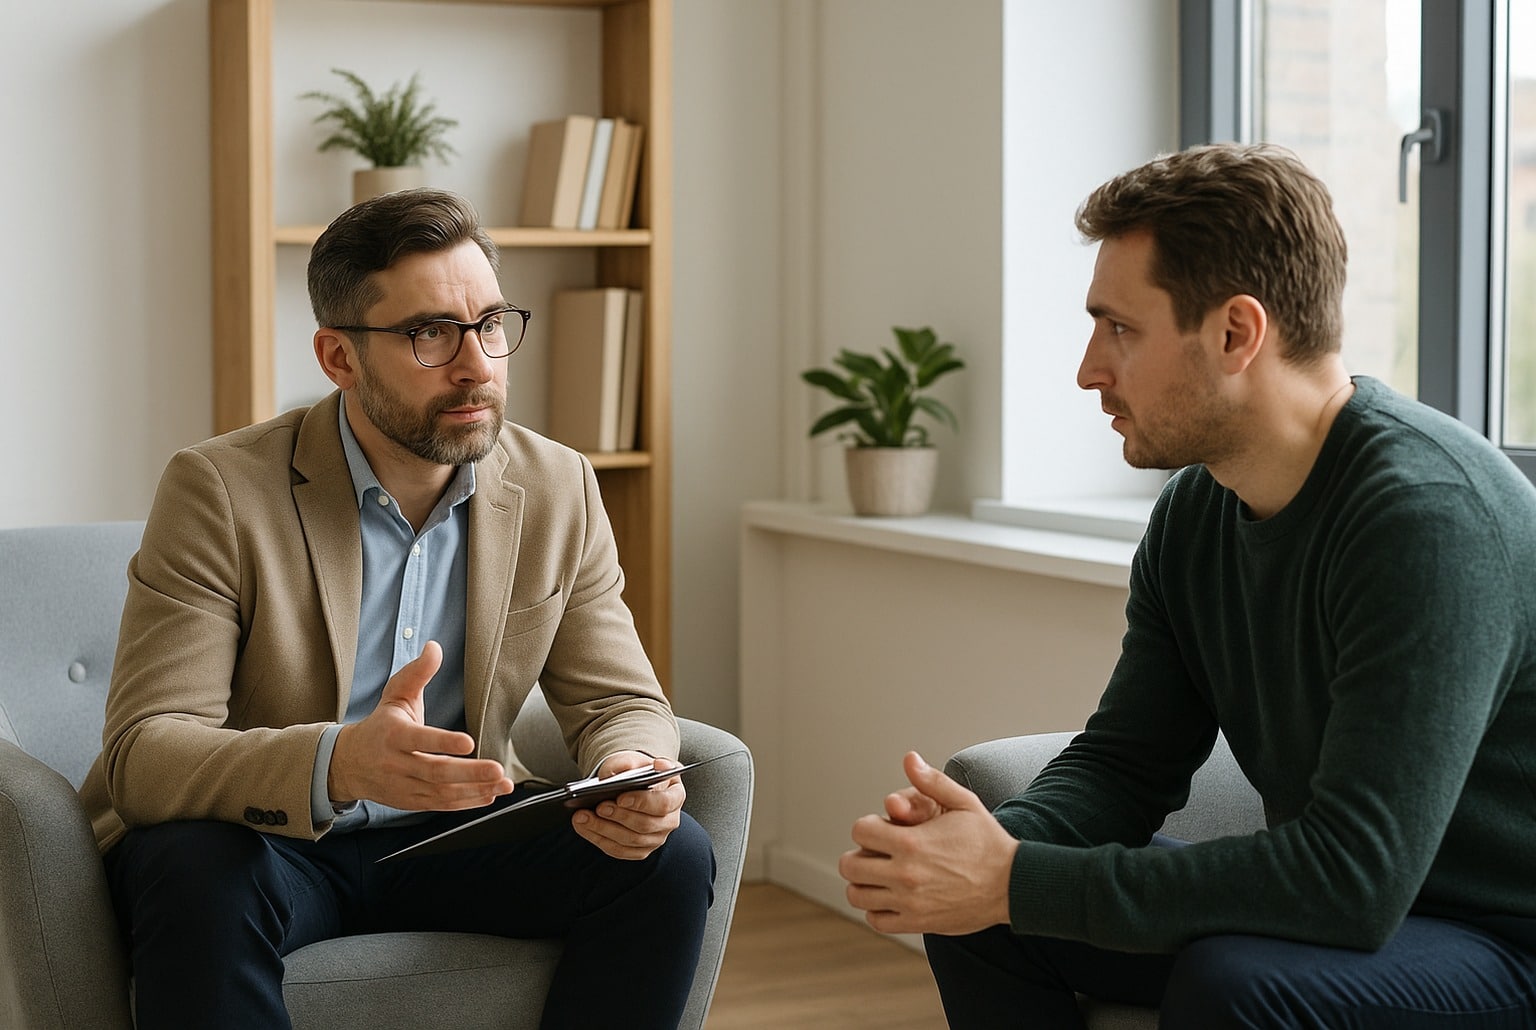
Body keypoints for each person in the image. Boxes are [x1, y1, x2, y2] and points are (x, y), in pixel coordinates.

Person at [838, 143, 1536, 1027]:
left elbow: (1353, 880)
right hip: (1366, 915)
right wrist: (985, 852)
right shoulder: (1198, 510)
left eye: (1120, 328)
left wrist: (1016, 878)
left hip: (1504, 939)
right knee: (977, 915)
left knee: (1234, 980)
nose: (1090, 368)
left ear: (1237, 334)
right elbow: (1129, 761)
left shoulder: (1427, 520)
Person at [78, 188, 714, 1030]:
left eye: (490, 323)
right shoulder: (221, 490)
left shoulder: (559, 487)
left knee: (668, 857)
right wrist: (340, 763)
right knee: (192, 867)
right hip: (267, 845)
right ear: (339, 357)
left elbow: (619, 700)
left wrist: (631, 768)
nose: (477, 365)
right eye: (430, 335)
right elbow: (144, 754)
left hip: (450, 843)